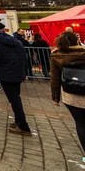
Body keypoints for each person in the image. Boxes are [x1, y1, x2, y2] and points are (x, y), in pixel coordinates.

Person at [0, 22, 31, 135]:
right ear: (4, 30)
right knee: (16, 97)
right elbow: (24, 56)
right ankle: (18, 120)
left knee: (14, 100)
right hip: (18, 72)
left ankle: (23, 126)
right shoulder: (16, 40)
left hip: (5, 73)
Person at [50, 31, 85, 159]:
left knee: (81, 124)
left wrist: (55, 97)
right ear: (77, 41)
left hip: (71, 95)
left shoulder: (56, 55)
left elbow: (55, 78)